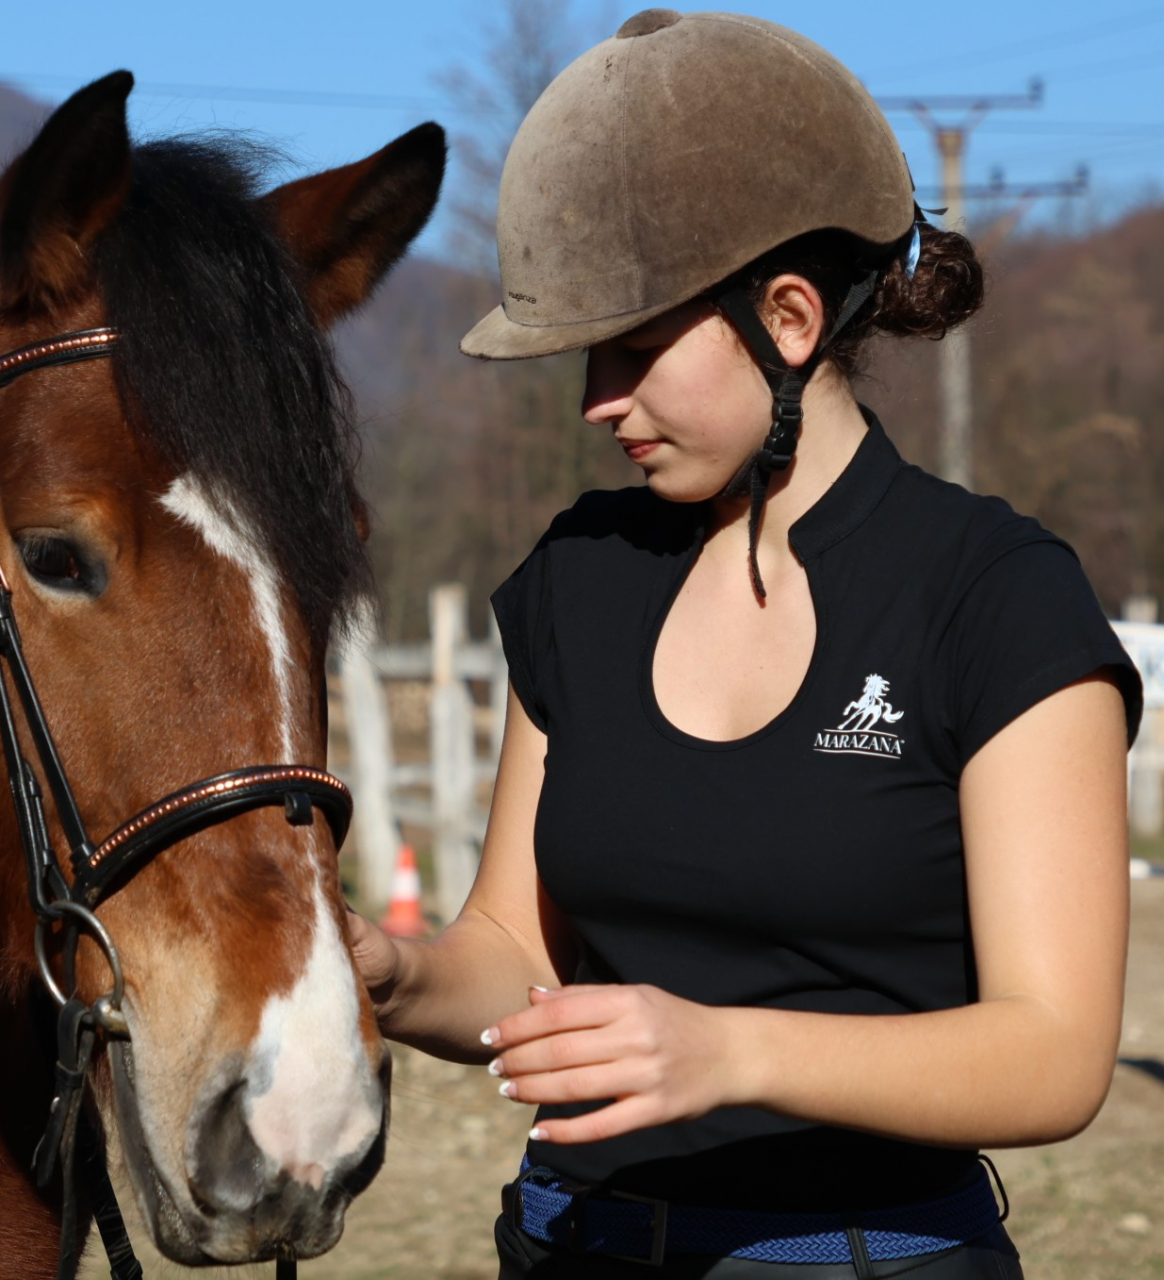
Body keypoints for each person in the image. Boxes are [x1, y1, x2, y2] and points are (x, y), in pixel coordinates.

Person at [348, 11, 1143, 1278]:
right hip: (571, 1243)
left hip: (866, 1252)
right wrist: (393, 971)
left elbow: (1052, 1053)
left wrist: (727, 1048)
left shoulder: (997, 596)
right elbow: (514, 958)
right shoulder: (580, 574)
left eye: (635, 344)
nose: (600, 396)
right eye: (585, 354)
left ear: (785, 317)